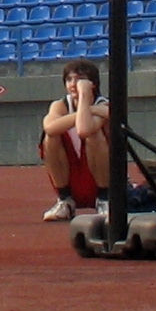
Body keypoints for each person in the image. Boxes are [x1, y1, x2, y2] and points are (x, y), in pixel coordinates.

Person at [40, 60, 112, 221]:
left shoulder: (104, 104)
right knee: (51, 137)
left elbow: (84, 129)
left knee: (93, 133)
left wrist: (86, 98)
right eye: (69, 79)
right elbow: (50, 128)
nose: (73, 84)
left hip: (103, 175)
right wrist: (87, 110)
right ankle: (65, 200)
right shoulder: (60, 105)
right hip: (71, 171)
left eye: (79, 79)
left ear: (92, 83)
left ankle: (105, 199)